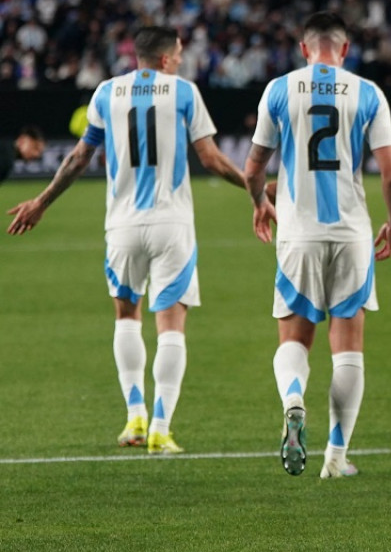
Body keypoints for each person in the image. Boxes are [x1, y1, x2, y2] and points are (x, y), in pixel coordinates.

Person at [7, 27, 246, 454]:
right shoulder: (184, 92)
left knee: (126, 317)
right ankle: (160, 426)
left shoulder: (105, 93)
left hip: (121, 226)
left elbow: (80, 156)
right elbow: (210, 159)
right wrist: (256, 189)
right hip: (171, 223)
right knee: (171, 324)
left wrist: (42, 202)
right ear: (166, 58)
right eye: (177, 54)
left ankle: (134, 416)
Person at [243, 11, 391, 479]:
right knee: (348, 348)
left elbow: (253, 169)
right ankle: (336, 457)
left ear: (304, 48)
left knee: (294, 338)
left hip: (298, 233)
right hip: (351, 235)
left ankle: (293, 401)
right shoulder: (367, 92)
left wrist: (259, 203)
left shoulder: (279, 90)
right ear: (346, 49)